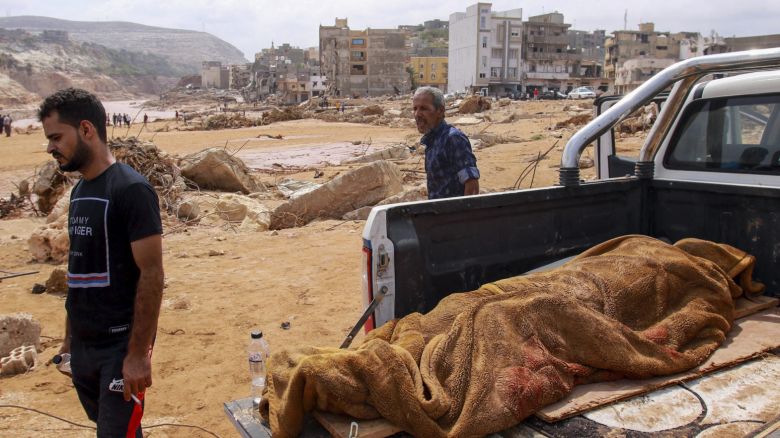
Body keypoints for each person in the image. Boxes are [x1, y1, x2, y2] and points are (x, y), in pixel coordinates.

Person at [38, 88, 164, 437]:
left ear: (86, 130)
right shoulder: (79, 193)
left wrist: (138, 354)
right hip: (84, 346)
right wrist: (68, 339)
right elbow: (77, 271)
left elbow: (152, 273)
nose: (50, 147)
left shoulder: (131, 190)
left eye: (56, 137)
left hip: (119, 346)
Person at [412, 86, 480, 199]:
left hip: (452, 215)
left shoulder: (453, 139)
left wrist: (465, 215)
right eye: (415, 109)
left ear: (440, 111)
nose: (417, 114)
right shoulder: (432, 141)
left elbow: (472, 186)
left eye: (424, 108)